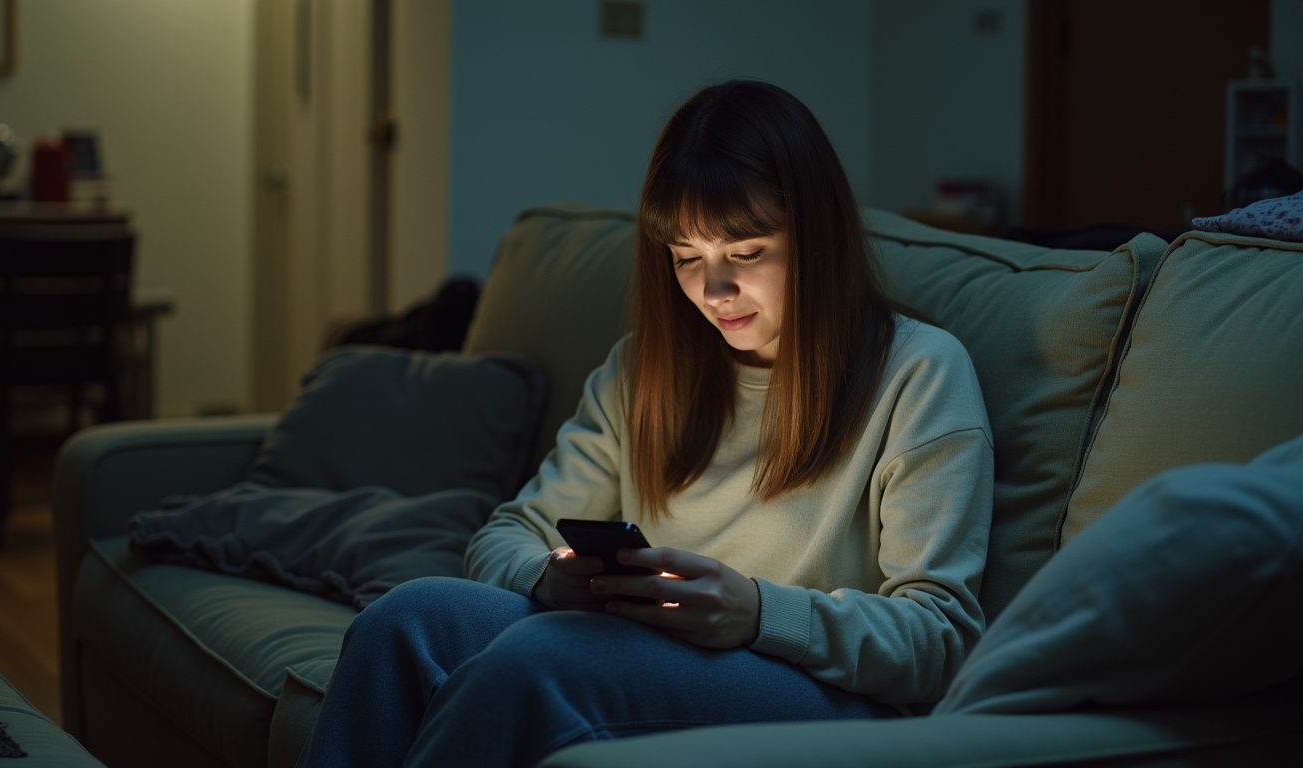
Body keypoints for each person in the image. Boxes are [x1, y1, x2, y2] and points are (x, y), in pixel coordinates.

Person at [297, 80, 994, 768]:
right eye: (687, 259)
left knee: (541, 657)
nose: (714, 292)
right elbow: (506, 536)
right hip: (656, 650)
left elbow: (941, 638)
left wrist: (756, 612)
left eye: (746, 254)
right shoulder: (644, 370)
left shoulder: (919, 373)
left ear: (818, 234)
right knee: (403, 619)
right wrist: (550, 579)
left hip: (816, 686)